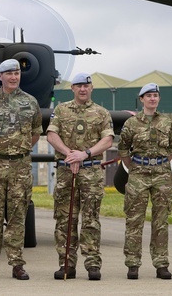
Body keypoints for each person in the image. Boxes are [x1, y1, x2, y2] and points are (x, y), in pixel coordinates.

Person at [0, 58, 42, 281]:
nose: (14, 77)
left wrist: (19, 150)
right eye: (9, 73)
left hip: (20, 166)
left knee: (17, 216)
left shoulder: (30, 102)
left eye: (17, 73)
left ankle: (17, 264)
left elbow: (36, 132)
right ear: (0, 76)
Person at [46, 72, 114, 281]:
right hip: (67, 171)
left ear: (91, 88)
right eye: (79, 86)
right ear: (72, 88)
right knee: (65, 218)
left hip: (91, 172)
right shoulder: (61, 110)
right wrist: (70, 154)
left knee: (91, 218)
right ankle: (66, 263)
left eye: (86, 86)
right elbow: (51, 135)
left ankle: (92, 263)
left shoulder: (101, 112)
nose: (83, 89)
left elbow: (108, 140)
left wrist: (84, 154)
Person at [118, 83, 172, 280]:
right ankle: (133, 263)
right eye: (148, 95)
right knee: (134, 220)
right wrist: (135, 166)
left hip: (162, 175)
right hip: (138, 175)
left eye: (155, 95)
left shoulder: (166, 122)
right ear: (141, 99)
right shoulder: (131, 123)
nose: (152, 99)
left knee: (161, 221)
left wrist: (159, 164)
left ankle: (161, 264)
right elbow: (123, 149)